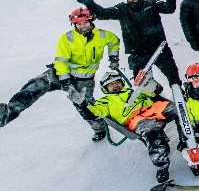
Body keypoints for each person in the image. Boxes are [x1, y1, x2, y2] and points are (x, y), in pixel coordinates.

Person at [0, 8, 121, 136]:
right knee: (37, 84)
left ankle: (99, 129)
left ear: (90, 21)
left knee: (84, 105)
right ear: (74, 24)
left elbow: (114, 41)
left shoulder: (102, 35)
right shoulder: (67, 38)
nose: (82, 26)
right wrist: (65, 79)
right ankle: (9, 112)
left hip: (84, 80)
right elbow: (61, 60)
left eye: (85, 22)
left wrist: (113, 57)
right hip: (61, 74)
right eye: (79, 24)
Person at [77, 0, 181, 85]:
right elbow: (104, 14)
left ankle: (180, 96)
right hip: (138, 54)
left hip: (160, 50)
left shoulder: (152, 3)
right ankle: (152, 99)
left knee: (173, 78)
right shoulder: (122, 9)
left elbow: (169, 9)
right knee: (141, 83)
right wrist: (91, 4)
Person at [85, 71, 176, 183]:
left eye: (117, 82)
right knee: (152, 133)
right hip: (136, 119)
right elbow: (94, 112)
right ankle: (162, 165)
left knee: (179, 109)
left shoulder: (133, 90)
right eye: (111, 84)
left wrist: (145, 83)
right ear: (105, 88)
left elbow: (155, 92)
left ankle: (190, 137)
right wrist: (83, 103)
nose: (115, 85)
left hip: (153, 109)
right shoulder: (105, 102)